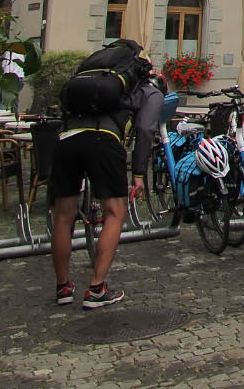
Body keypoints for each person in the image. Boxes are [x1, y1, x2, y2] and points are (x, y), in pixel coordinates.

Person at [50, 43, 163, 309]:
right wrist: (138, 174)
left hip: (66, 138)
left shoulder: (91, 80)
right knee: (115, 211)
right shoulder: (147, 90)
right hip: (104, 140)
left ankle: (63, 287)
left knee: (63, 215)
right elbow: (146, 130)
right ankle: (96, 288)